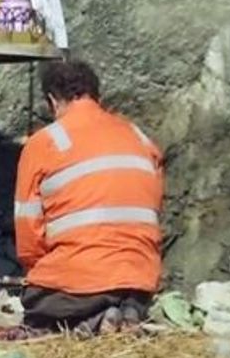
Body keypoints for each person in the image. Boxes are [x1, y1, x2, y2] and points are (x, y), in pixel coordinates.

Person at [14, 60, 164, 334]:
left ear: (52, 101)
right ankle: (127, 311)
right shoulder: (140, 138)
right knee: (118, 285)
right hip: (139, 280)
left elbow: (28, 235)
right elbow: (151, 210)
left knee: (35, 301)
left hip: (81, 284)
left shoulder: (45, 142)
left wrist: (39, 272)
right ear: (97, 96)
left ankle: (96, 319)